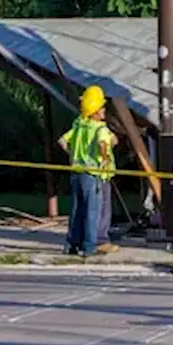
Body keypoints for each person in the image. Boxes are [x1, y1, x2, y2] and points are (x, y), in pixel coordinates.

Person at [59, 85, 119, 256]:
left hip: (77, 171)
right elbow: (104, 143)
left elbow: (62, 141)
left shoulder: (78, 124)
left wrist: (73, 155)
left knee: (77, 210)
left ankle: (71, 245)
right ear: (95, 110)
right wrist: (105, 157)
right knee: (93, 211)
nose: (104, 110)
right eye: (102, 107)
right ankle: (89, 246)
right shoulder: (100, 128)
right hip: (94, 174)